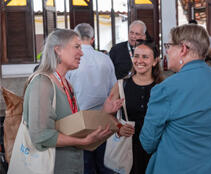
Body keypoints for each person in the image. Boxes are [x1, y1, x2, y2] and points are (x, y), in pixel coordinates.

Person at [139, 24, 211, 174]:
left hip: (181, 167)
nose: (167, 51)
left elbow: (148, 142)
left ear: (183, 49)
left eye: (169, 46)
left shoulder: (166, 89)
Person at [20, 29, 123, 174]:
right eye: (77, 47)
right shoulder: (42, 84)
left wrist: (104, 112)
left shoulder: (66, 84)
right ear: (58, 50)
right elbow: (40, 136)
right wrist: (82, 142)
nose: (82, 53)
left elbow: (73, 126)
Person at [66, 23, 117, 174]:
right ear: (93, 39)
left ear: (76, 39)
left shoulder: (72, 61)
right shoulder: (105, 59)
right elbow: (114, 90)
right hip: (103, 117)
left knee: (86, 165)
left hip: (79, 119)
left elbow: (66, 91)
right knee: (104, 163)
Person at [110, 39, 164, 174]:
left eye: (145, 57)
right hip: (129, 149)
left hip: (158, 149)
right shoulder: (121, 85)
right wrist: (119, 127)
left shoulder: (163, 87)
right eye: (136, 56)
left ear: (155, 61)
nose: (139, 61)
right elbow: (106, 114)